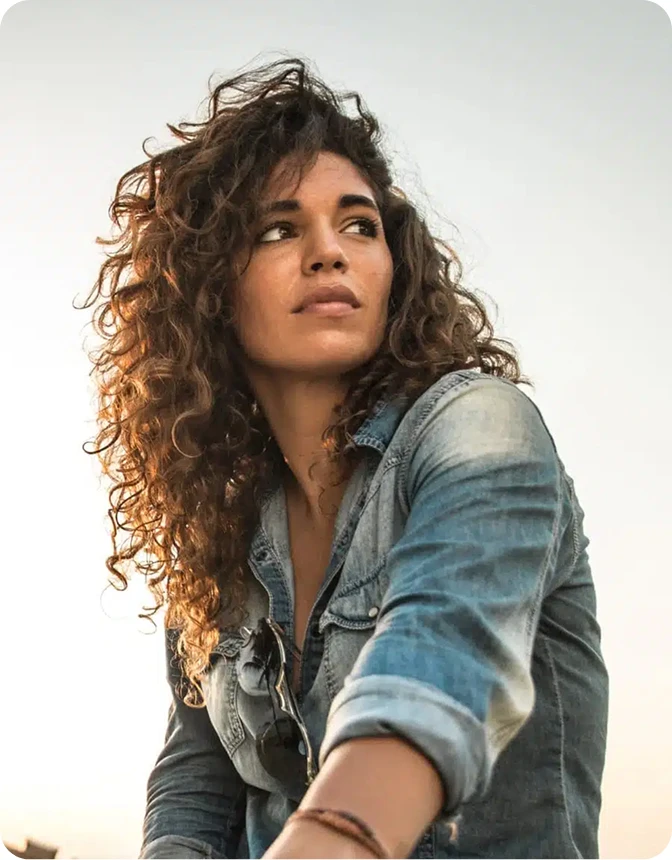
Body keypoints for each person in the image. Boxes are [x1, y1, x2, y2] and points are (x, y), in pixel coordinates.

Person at [80, 56, 609, 859]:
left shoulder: (481, 430)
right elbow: (197, 779)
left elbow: (435, 680)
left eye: (359, 224)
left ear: (395, 265)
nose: (330, 252)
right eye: (279, 229)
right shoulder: (220, 534)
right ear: (208, 289)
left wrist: (332, 836)